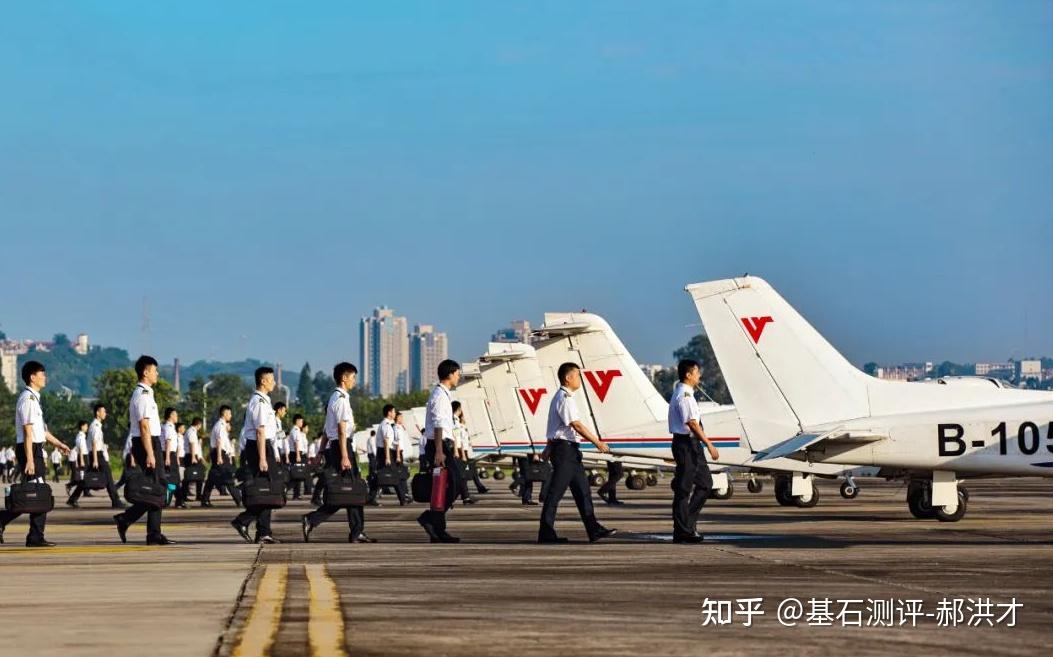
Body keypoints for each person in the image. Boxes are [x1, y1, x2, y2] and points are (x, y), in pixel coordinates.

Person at [537, 363, 617, 544]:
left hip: (569, 451)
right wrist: (597, 442)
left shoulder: (562, 397)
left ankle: (593, 530)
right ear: (568, 378)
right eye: (578, 375)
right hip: (565, 452)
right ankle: (545, 533)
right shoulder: (565, 397)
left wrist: (548, 447)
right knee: (555, 494)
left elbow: (556, 427)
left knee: (583, 492)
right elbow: (576, 425)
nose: (580, 379)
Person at [0, 361, 72, 546]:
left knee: (33, 493)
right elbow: (27, 432)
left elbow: (42, 431)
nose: (44, 377)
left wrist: (59, 444)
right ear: (32, 377)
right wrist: (30, 459)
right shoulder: (28, 399)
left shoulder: (34, 399)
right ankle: (34, 536)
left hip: (35, 448)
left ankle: (29, 532)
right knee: (38, 492)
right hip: (29, 449)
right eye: (42, 373)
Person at [302, 362, 374, 543]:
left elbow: (327, 430)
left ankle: (317, 520)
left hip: (335, 447)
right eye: (353, 377)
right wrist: (344, 455)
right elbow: (341, 430)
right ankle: (354, 531)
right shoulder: (341, 400)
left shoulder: (333, 398)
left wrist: (320, 451)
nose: (354, 381)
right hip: (342, 447)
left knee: (346, 490)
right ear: (344, 378)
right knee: (354, 488)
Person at [113, 355, 175, 545]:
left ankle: (130, 520)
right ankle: (150, 532)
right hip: (146, 442)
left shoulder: (146, 393)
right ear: (145, 372)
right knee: (159, 486)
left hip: (148, 441)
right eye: (155, 370)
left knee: (156, 488)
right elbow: (144, 426)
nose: (157, 374)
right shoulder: (142, 396)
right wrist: (150, 453)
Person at [668, 359, 719, 544]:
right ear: (688, 375)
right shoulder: (684, 396)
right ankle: (683, 530)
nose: (699, 375)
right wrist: (709, 444)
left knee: (705, 484)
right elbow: (691, 423)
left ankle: (686, 525)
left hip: (691, 445)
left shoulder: (686, 393)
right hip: (686, 445)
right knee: (684, 489)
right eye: (697, 372)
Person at [230, 367, 281, 544]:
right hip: (259, 448)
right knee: (267, 489)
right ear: (263, 381)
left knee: (268, 490)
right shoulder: (258, 402)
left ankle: (259, 529)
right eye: (272, 379)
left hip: (263, 446)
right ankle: (250, 524)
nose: (274, 382)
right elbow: (260, 431)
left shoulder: (264, 401)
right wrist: (262, 458)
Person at [416, 359, 465, 543]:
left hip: (443, 444)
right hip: (438, 445)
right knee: (454, 483)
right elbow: (437, 425)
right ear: (450, 374)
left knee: (448, 486)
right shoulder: (439, 395)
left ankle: (435, 526)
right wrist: (438, 450)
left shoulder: (444, 394)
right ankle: (432, 521)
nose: (459, 376)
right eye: (457, 373)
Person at [201, 406, 240, 507]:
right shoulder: (220, 425)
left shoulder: (222, 426)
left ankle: (204, 499)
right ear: (225, 413)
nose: (231, 416)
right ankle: (239, 499)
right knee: (228, 477)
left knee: (211, 478)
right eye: (230, 413)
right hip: (220, 453)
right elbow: (219, 442)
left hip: (220, 453)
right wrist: (219, 456)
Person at [369, 405, 397, 505]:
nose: (395, 413)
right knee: (382, 475)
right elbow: (386, 441)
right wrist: (388, 457)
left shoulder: (388, 424)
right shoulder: (386, 424)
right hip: (384, 452)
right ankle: (403, 496)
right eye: (394, 411)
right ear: (389, 413)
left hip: (385, 451)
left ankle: (402, 496)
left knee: (381, 475)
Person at [450, 402, 477, 506]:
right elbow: (456, 437)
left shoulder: (455, 420)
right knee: (460, 475)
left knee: (462, 476)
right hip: (458, 451)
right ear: (458, 409)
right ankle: (460, 497)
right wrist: (460, 452)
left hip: (458, 449)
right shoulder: (454, 421)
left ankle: (465, 496)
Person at [160, 409, 182, 508]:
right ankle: (167, 500)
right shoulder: (168, 427)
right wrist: (168, 458)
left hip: (170, 454)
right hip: (168, 454)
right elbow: (167, 442)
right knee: (172, 479)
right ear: (171, 415)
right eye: (175, 415)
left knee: (176, 479)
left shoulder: (169, 427)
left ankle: (179, 500)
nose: (177, 417)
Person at [65, 421, 90, 507]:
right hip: (83, 457)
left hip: (84, 457)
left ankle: (72, 495)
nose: (87, 427)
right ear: (82, 426)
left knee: (84, 480)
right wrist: (82, 460)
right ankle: (72, 498)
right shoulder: (80, 436)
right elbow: (81, 449)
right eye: (86, 426)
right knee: (84, 480)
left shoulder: (82, 436)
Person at [181, 418, 204, 502]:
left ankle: (197, 495)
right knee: (189, 476)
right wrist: (193, 457)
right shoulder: (191, 431)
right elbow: (192, 444)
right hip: (191, 456)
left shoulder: (192, 431)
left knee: (197, 476)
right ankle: (184, 495)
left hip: (192, 455)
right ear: (198, 424)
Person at [392, 412, 411, 505]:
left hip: (400, 453)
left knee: (402, 475)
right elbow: (397, 442)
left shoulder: (399, 428)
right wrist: (398, 456)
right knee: (400, 476)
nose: (402, 419)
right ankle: (404, 496)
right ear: (397, 418)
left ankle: (404, 495)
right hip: (398, 453)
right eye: (401, 417)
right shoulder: (396, 428)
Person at [288, 414, 308, 500]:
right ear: (297, 421)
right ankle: (292, 492)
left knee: (299, 475)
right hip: (296, 453)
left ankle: (297, 494)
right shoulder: (295, 430)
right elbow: (296, 443)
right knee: (296, 474)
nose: (302, 423)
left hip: (298, 453)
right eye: (301, 421)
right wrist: (298, 455)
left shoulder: (297, 430)